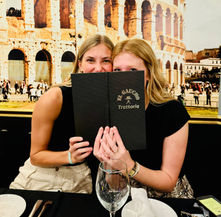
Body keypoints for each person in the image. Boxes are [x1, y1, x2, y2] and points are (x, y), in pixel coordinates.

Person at [10, 34, 114, 193]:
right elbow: (36, 156)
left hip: (86, 179)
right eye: (90, 60)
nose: (98, 67)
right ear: (80, 64)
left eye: (106, 60)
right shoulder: (55, 97)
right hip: (45, 178)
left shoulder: (114, 99)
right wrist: (69, 156)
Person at [94, 38, 193, 198]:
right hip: (126, 196)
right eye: (117, 71)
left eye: (133, 70)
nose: (124, 77)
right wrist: (110, 165)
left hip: (168, 199)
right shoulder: (109, 112)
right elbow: (114, 185)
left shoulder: (172, 111)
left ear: (148, 74)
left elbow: (168, 182)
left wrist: (130, 166)